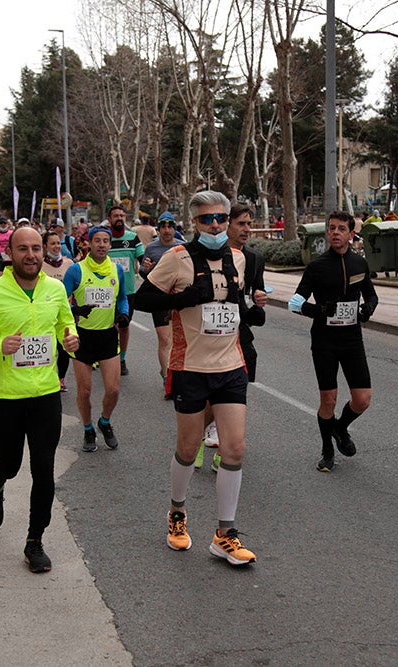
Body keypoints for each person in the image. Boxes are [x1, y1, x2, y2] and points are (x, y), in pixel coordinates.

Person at [135, 190, 258, 566]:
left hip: (231, 366)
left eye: (221, 218)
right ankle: (177, 511)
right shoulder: (177, 259)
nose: (216, 225)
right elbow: (142, 300)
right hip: (190, 368)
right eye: (207, 219)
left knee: (234, 449)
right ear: (195, 223)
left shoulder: (238, 258)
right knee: (188, 450)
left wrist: (252, 310)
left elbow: (235, 305)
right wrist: (182, 299)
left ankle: (224, 534)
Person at [0, 227, 79, 573]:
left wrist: (71, 340)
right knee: (9, 464)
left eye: (37, 248)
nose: (31, 255)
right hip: (5, 396)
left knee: (44, 469)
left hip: (45, 394)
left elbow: (64, 324)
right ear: (9, 253)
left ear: (44, 252)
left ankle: (34, 541)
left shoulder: (55, 289)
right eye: (23, 249)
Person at [288, 210, 379, 473]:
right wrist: (318, 311)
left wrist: (368, 310)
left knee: (362, 399)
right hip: (324, 342)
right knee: (328, 399)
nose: (335, 233)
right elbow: (295, 302)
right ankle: (328, 450)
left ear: (351, 234)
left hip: (352, 340)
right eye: (331, 228)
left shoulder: (359, 264)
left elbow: (371, 296)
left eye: (341, 229)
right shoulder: (317, 266)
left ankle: (340, 427)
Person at [195, 203, 268, 472]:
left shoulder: (254, 259)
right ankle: (198, 437)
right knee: (209, 403)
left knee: (231, 398)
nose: (247, 229)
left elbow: (253, 307)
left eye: (249, 223)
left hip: (239, 334)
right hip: (210, 336)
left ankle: (223, 451)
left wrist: (260, 303)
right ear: (227, 225)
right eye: (241, 224)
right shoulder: (206, 255)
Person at [63, 225, 129, 452]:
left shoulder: (116, 270)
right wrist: (75, 310)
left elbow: (122, 298)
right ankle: (88, 428)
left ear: (110, 245)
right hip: (83, 338)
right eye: (97, 241)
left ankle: (105, 421)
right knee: (85, 391)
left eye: (106, 241)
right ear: (89, 244)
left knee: (113, 390)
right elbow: (61, 303)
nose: (102, 245)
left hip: (107, 336)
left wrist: (123, 313)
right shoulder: (76, 271)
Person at [140, 212, 185, 392]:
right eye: (163, 227)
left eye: (170, 227)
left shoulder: (183, 247)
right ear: (158, 230)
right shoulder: (151, 248)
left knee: (179, 339)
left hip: (178, 299)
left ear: (174, 228)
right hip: (159, 298)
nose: (167, 231)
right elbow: (144, 272)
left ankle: (177, 373)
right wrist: (147, 269)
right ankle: (168, 379)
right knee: (165, 339)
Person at [105, 205, 145, 376]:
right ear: (109, 219)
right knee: (108, 326)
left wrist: (147, 266)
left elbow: (143, 260)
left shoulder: (133, 238)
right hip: (106, 292)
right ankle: (108, 356)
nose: (119, 218)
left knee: (124, 326)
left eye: (122, 215)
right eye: (116, 216)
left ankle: (121, 359)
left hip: (127, 291)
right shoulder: (104, 238)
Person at [42, 230, 76, 392]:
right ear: (45, 246)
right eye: (52, 244)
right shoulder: (40, 265)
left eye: (58, 243)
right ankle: (47, 377)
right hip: (45, 313)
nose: (56, 247)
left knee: (64, 349)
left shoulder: (69, 264)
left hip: (65, 312)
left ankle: (60, 378)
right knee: (49, 347)